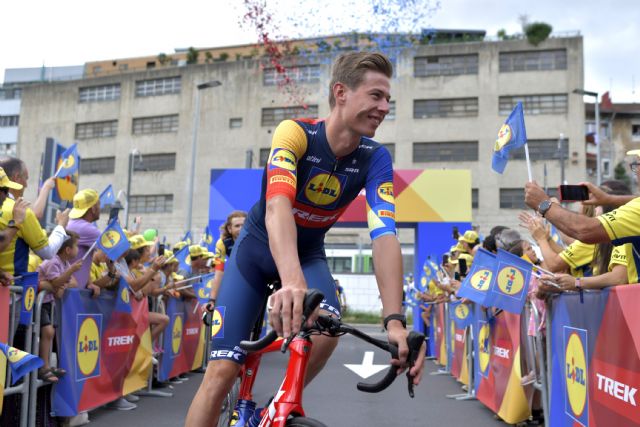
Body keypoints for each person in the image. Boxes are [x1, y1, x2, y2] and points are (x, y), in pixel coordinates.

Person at [186, 51, 426, 426]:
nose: (384, 107)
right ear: (341, 92)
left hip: (308, 252)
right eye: (376, 96)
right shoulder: (294, 133)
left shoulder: (375, 158)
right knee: (219, 375)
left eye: (387, 100)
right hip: (256, 252)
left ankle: (272, 410)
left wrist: (394, 321)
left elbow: (383, 235)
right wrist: (293, 282)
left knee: (327, 330)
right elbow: (277, 206)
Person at [36, 231, 82, 383]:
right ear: (68, 250)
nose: (78, 249)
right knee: (47, 331)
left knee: (51, 333)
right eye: (76, 246)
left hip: (49, 302)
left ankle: (47, 365)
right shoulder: (54, 261)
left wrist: (65, 280)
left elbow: (73, 283)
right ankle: (43, 368)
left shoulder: (64, 263)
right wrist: (69, 273)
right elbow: (56, 283)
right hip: (39, 302)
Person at [66, 189, 103, 294]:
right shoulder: (87, 229)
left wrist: (89, 282)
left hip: (72, 292)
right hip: (70, 294)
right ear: (93, 208)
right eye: (99, 205)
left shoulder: (73, 223)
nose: (100, 208)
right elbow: (117, 250)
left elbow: (82, 257)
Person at [207, 211, 247, 307]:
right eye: (237, 226)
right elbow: (219, 272)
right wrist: (212, 300)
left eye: (244, 225)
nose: (241, 229)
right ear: (229, 229)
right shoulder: (222, 243)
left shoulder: (255, 239)